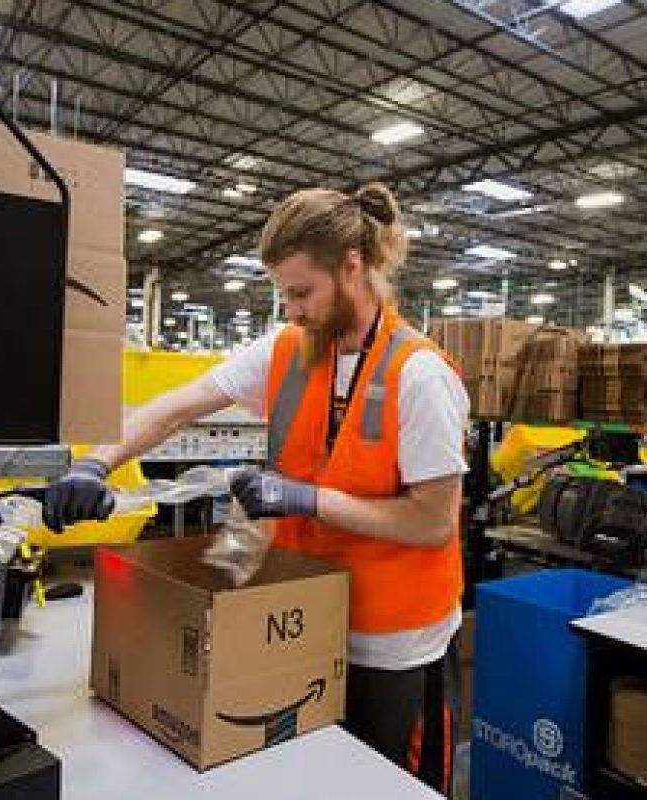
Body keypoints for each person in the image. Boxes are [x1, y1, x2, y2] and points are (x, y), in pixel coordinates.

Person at [42, 182, 470, 793]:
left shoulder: (420, 375)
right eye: (282, 294)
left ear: (353, 268)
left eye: (301, 292)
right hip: (301, 620)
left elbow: (433, 522)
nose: (290, 310)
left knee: (384, 784)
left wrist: (306, 499)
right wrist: (96, 463)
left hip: (392, 642)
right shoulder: (287, 350)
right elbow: (178, 406)